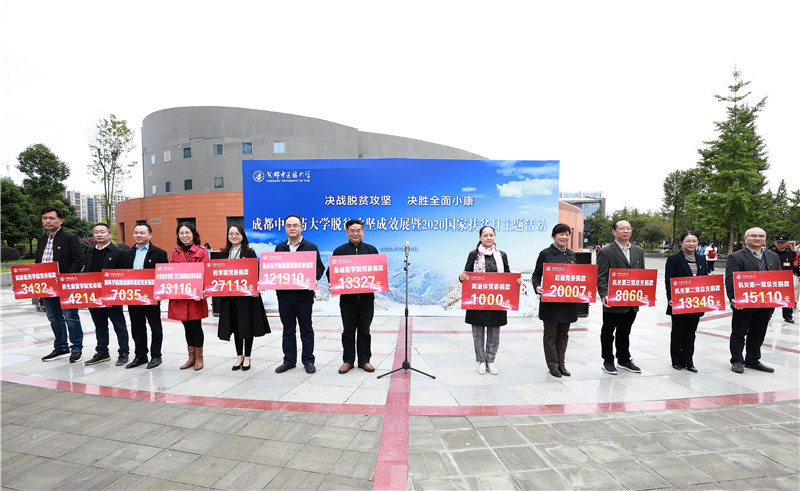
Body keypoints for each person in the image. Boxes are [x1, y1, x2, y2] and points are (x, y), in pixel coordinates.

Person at [459, 225, 520, 375]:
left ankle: (490, 361)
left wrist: (516, 282)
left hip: (496, 301)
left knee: (494, 333)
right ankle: (481, 361)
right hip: (478, 300)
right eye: (485, 235)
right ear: (480, 237)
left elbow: (507, 274)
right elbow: (466, 273)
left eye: (491, 235)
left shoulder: (502, 255)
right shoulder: (473, 254)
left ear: (495, 236)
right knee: (478, 333)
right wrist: (462, 277)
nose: (488, 238)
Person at [725, 227, 782, 374]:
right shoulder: (736, 256)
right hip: (744, 302)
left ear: (765, 239)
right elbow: (730, 279)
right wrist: (732, 298)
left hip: (766, 302)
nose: (757, 238)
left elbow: (779, 277)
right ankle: (737, 360)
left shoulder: (773, 256)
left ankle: (753, 359)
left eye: (761, 236)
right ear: (745, 238)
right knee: (739, 332)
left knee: (758, 332)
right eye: (753, 236)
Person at [274, 215, 325, 374]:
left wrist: (313, 277)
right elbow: (275, 269)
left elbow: (320, 268)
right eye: (289, 225)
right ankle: (289, 361)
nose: (292, 228)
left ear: (302, 227)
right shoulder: (279, 247)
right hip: (284, 296)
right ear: (285, 228)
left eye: (295, 225)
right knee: (288, 330)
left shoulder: (311, 247)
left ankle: (308, 360)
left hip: (304, 297)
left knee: (306, 329)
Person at [327, 219, 379, 374]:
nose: (355, 233)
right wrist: (333, 282)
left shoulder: (371, 250)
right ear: (346, 232)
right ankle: (348, 361)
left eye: (358, 230)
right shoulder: (339, 251)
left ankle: (364, 361)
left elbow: (378, 272)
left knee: (365, 330)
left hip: (366, 298)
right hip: (347, 299)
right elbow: (331, 272)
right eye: (352, 230)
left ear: (363, 231)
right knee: (348, 330)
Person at [217, 224, 270, 370]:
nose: (234, 236)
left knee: (247, 325)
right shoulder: (223, 254)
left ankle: (247, 356)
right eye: (231, 234)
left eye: (237, 233)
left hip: (247, 298)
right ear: (227, 236)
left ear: (242, 236)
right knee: (235, 326)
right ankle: (239, 356)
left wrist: (256, 287)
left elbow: (256, 272)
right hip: (230, 297)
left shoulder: (249, 252)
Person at [596, 219, 646, 375]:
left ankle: (624, 360)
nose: (626, 231)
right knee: (608, 331)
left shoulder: (639, 251)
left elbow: (642, 274)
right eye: (622, 228)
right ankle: (608, 360)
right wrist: (604, 294)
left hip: (631, 300)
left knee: (625, 331)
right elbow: (601, 276)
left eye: (628, 228)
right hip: (613, 300)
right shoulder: (605, 252)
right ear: (614, 232)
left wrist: (645, 294)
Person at [37, 206, 85, 363]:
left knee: (71, 316)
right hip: (47, 286)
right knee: (53, 317)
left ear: (61, 221)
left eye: (52, 218)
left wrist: (65, 280)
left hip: (65, 286)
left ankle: (76, 348)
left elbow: (79, 261)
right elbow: (37, 263)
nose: (48, 221)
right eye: (45, 218)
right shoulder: (42, 239)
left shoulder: (70, 238)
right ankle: (61, 347)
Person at [531, 224, 578, 378]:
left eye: (567, 234)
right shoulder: (545, 253)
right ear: (554, 236)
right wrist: (537, 287)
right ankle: (553, 365)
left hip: (567, 302)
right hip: (550, 303)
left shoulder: (572, 254)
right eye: (561, 234)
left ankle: (561, 364)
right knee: (550, 335)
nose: (564, 237)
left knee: (563, 335)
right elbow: (536, 275)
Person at [122, 223, 169, 369]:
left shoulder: (159, 253)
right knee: (137, 327)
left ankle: (156, 356)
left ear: (150, 235)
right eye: (136, 232)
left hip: (151, 297)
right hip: (134, 297)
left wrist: (161, 293)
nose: (138, 235)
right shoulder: (127, 253)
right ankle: (140, 356)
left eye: (142, 233)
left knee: (155, 327)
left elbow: (165, 275)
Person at [83, 223, 130, 366]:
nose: (99, 234)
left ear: (110, 234)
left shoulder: (119, 253)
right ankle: (102, 352)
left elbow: (125, 275)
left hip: (112, 296)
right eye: (96, 232)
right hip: (94, 296)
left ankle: (124, 352)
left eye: (102, 232)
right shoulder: (90, 253)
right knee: (100, 326)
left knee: (119, 325)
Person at [168, 222, 210, 370]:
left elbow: (206, 273)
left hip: (194, 297)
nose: (184, 236)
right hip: (181, 296)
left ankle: (199, 358)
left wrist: (201, 290)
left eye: (187, 232)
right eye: (181, 233)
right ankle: (191, 357)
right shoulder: (176, 252)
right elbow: (171, 272)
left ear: (193, 234)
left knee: (196, 326)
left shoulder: (202, 251)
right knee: (186, 327)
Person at [664, 232, 708, 372]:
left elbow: (705, 280)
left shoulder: (701, 259)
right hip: (679, 301)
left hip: (696, 302)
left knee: (690, 332)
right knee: (678, 331)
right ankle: (676, 360)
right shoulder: (674, 259)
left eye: (694, 241)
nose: (691, 244)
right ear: (681, 243)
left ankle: (688, 361)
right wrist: (670, 298)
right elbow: (669, 280)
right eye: (688, 241)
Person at [769, 235, 799, 323]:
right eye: (778, 242)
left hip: (787, 279)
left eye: (782, 243)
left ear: (787, 243)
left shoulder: (793, 253)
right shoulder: (769, 253)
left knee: (787, 297)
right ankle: (768, 314)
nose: (780, 244)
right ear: (775, 243)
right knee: (771, 296)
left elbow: (796, 265)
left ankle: (788, 316)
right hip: (773, 278)